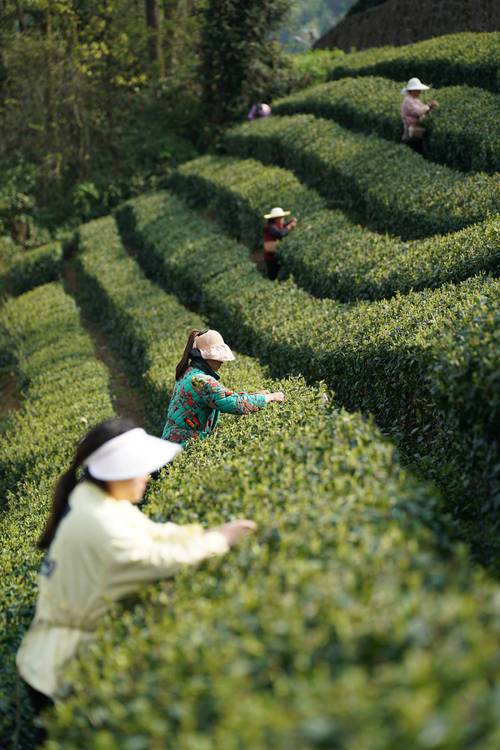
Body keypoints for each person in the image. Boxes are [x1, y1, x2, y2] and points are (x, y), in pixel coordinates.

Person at [17, 418, 256, 741]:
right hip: (56, 672)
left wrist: (204, 533)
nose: (147, 475)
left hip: (53, 657)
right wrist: (218, 542)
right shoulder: (100, 521)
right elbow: (153, 559)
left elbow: (153, 535)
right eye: (140, 468)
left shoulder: (99, 502)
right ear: (117, 472)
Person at [162, 330, 285, 444]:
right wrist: (269, 398)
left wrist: (256, 396)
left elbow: (224, 397)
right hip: (181, 444)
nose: (222, 361)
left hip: (171, 440)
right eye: (217, 357)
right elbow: (235, 404)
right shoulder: (202, 381)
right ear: (204, 356)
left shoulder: (189, 372)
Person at [400, 77, 439, 154]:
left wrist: (430, 107)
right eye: (418, 90)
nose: (420, 92)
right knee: (414, 150)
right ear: (412, 91)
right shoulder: (408, 101)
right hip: (411, 132)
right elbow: (418, 112)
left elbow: (423, 110)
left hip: (416, 130)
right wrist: (429, 105)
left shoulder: (415, 100)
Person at [263, 207, 298, 281]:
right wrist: (289, 227)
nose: (283, 219)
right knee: (272, 276)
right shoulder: (270, 227)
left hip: (276, 255)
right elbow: (280, 234)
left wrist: (290, 222)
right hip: (271, 257)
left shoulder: (276, 226)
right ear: (276, 219)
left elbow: (283, 226)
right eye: (281, 218)